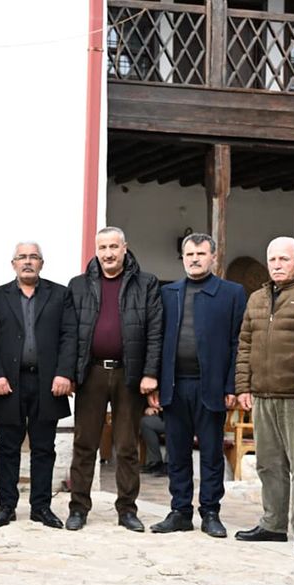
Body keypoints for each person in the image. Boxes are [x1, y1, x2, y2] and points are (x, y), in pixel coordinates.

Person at [66, 226, 162, 532]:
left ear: (124, 248)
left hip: (128, 374)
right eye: (103, 247)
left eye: (113, 247)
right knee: (84, 443)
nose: (108, 253)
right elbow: (69, 333)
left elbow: (155, 332)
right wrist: (69, 373)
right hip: (90, 373)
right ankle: (78, 508)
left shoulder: (146, 284)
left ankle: (127, 510)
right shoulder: (79, 285)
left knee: (126, 446)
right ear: (97, 250)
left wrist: (150, 373)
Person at [151, 232, 246, 537]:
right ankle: (180, 511)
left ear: (213, 257)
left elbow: (238, 343)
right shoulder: (169, 293)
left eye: (201, 254)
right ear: (183, 257)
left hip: (212, 386)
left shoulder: (232, 293)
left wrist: (232, 385)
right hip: (175, 386)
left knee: (211, 453)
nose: (194, 259)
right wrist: (155, 383)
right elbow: (156, 339)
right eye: (189, 254)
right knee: (177, 452)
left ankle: (211, 512)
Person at [232, 236, 294, 552]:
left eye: (284, 259)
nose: (277, 265)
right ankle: (273, 524)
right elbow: (244, 344)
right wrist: (243, 386)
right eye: (272, 259)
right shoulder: (256, 297)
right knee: (268, 464)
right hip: (262, 394)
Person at [0, 242, 76, 529]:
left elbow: (69, 336)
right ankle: (6, 506)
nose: (27, 261)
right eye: (22, 257)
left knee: (44, 447)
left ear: (41, 263)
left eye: (33, 257)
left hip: (48, 383)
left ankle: (41, 507)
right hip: (7, 383)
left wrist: (64, 373)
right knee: (7, 447)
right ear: (13, 263)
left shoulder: (60, 295)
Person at [140, 408, 166, 475]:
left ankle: (169, 463)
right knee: (145, 422)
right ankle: (156, 462)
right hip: (163, 415)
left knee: (173, 424)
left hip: (179, 416)